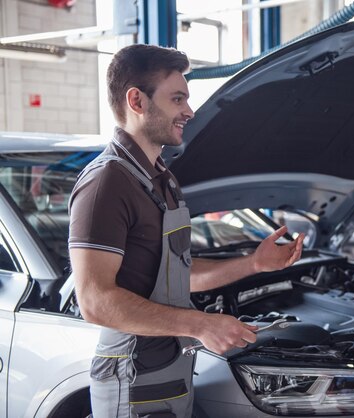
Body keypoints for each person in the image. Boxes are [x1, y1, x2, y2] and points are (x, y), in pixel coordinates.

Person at [68, 44, 304, 417]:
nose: (189, 112)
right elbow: (94, 300)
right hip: (131, 380)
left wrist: (254, 264)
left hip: (170, 368)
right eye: (177, 98)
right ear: (137, 100)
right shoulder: (106, 183)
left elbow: (174, 276)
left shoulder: (162, 179)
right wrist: (200, 324)